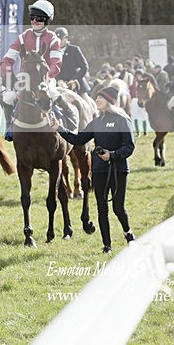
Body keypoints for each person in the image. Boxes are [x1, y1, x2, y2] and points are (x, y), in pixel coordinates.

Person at [50, 86, 136, 253]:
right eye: (96, 98)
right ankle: (107, 245)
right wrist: (59, 128)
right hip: (99, 170)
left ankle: (129, 235)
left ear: (109, 101)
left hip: (118, 170)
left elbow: (129, 146)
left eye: (100, 98)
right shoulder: (97, 122)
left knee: (118, 208)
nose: (96, 100)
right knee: (101, 208)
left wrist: (112, 155)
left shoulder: (122, 120)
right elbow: (78, 139)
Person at [0, 0, 76, 129]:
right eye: (32, 17)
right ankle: (8, 125)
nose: (34, 21)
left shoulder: (53, 38)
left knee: (53, 92)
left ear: (47, 20)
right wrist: (9, 76)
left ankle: (70, 115)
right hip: (25, 78)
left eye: (39, 18)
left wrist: (45, 78)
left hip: (45, 77)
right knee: (8, 96)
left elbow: (56, 63)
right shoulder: (23, 37)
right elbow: (7, 59)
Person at [55, 27, 91, 97]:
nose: (60, 41)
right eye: (58, 39)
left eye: (62, 38)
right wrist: (58, 80)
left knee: (87, 102)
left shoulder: (74, 50)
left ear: (66, 38)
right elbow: (51, 70)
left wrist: (75, 79)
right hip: (59, 86)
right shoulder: (52, 52)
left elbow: (84, 67)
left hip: (77, 84)